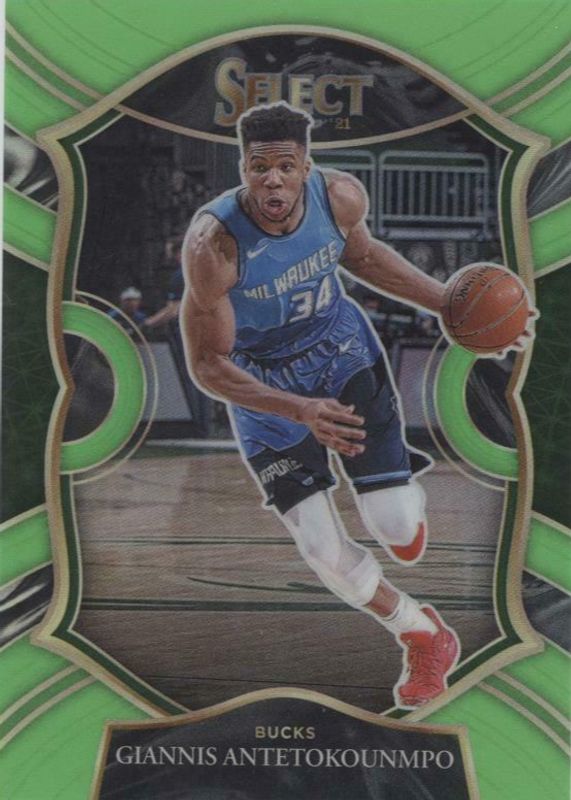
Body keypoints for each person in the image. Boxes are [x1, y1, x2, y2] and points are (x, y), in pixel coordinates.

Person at [180, 102, 460, 709]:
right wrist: (299, 410)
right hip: (262, 384)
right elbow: (207, 364)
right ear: (243, 168)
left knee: (396, 527)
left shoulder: (340, 198)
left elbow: (364, 258)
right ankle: (422, 633)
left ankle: (395, 492)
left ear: (306, 166)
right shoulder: (215, 244)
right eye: (260, 168)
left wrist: (446, 302)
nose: (273, 181)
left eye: (286, 166)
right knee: (322, 552)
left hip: (339, 354)